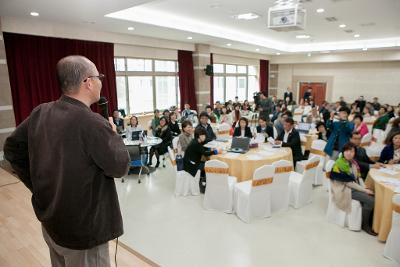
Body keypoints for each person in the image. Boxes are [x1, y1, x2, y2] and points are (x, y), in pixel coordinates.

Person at [3, 55, 130, 266]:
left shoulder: (40, 112)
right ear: (87, 82)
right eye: (99, 76)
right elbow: (120, 167)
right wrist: (113, 134)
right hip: (83, 233)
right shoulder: (92, 123)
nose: (101, 81)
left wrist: (38, 187)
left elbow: (12, 149)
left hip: (53, 222)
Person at [329, 143, 376, 235]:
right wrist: (364, 190)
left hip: (353, 186)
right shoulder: (339, 164)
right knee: (371, 200)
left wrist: (364, 187)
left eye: (352, 151)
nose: (349, 153)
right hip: (343, 189)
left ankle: (370, 220)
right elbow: (348, 183)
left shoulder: (353, 162)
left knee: (373, 194)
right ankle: (365, 225)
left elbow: (359, 177)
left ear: (355, 153)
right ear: (343, 152)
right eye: (346, 151)